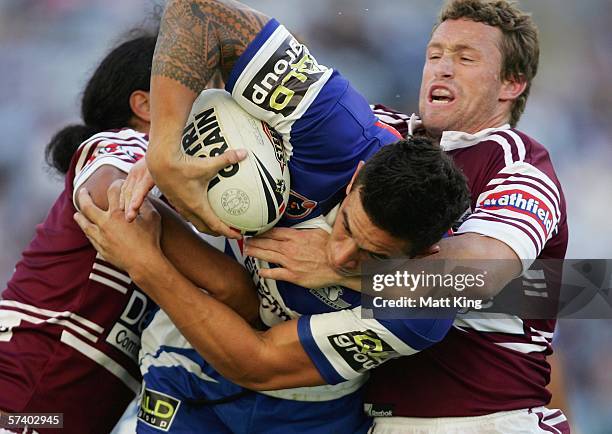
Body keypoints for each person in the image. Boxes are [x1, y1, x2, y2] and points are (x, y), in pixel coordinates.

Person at [111, 0, 570, 433]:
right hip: (377, 418)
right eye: (435, 53)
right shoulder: (376, 135)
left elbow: (481, 280)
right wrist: (173, 146)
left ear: (512, 83)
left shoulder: (520, 167)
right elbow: (201, 20)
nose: (443, 66)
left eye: (466, 58)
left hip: (484, 421)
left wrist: (341, 268)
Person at [0, 31, 258, 434]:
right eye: (207, 91)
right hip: (20, 408)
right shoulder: (124, 145)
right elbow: (109, 190)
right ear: (145, 106)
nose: (220, 107)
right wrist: (219, 275)